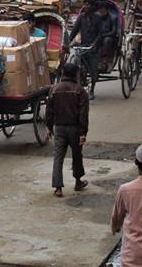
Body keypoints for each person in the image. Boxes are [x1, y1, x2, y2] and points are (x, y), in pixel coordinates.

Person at [45, 62, 89, 197]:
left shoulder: (54, 89)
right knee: (77, 155)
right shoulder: (80, 91)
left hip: (59, 128)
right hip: (75, 129)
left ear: (62, 73)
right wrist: (83, 132)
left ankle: (58, 188)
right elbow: (83, 115)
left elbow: (49, 111)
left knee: (58, 157)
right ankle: (77, 181)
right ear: (76, 74)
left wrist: (49, 126)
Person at [69, 0, 101, 98]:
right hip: (83, 45)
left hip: (94, 46)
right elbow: (74, 30)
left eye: (88, 5)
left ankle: (92, 90)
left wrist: (95, 44)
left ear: (92, 7)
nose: (86, 7)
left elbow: (100, 33)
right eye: (85, 5)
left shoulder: (97, 18)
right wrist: (68, 42)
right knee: (77, 63)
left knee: (93, 69)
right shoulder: (81, 17)